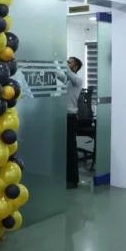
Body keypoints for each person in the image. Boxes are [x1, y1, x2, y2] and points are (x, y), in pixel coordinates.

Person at [57, 57, 84, 188]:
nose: (67, 63)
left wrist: (62, 62)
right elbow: (58, 74)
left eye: (69, 62)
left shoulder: (78, 80)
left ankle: (73, 180)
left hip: (71, 117)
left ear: (75, 66)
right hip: (63, 117)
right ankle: (66, 178)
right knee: (65, 149)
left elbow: (67, 72)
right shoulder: (68, 80)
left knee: (71, 149)